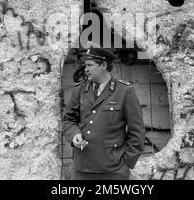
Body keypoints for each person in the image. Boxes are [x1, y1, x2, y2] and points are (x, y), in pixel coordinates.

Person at [63, 47, 146, 180]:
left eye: (90, 65)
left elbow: (137, 131)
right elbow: (68, 119)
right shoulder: (80, 89)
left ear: (104, 65)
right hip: (82, 168)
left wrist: (127, 163)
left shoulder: (125, 91)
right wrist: (74, 135)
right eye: (85, 65)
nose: (86, 69)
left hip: (113, 170)